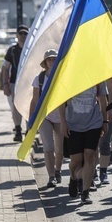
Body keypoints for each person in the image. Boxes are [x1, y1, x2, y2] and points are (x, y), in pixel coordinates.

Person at [60, 80, 108, 205]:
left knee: (89, 156)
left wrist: (105, 121)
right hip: (73, 124)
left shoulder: (98, 76)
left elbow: (102, 99)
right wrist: (63, 122)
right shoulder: (69, 75)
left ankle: (85, 192)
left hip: (93, 122)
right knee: (76, 160)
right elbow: (60, 100)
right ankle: (73, 177)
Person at [29, 49, 63, 188]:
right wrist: (32, 120)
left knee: (59, 149)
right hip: (45, 117)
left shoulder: (61, 76)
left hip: (60, 116)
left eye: (54, 59)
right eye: (49, 59)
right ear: (45, 63)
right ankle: (51, 177)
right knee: (48, 147)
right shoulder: (40, 79)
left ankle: (58, 170)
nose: (52, 61)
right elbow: (35, 100)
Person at [1, 24, 29, 141]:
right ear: (17, 35)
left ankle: (29, 131)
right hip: (15, 83)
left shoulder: (31, 49)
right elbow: (6, 68)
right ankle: (18, 130)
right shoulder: (12, 50)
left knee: (29, 106)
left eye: (25, 34)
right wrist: (5, 84)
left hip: (29, 83)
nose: (23, 36)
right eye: (20, 34)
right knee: (16, 107)